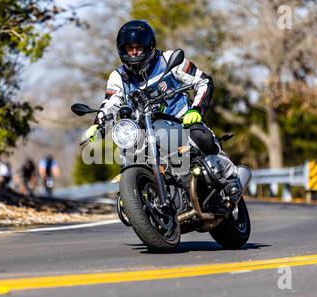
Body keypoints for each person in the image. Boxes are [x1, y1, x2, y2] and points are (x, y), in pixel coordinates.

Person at [84, 20, 242, 205]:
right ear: (122, 50)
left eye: (138, 47)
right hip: (145, 130)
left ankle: (230, 178)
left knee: (201, 137)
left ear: (149, 47)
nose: (134, 52)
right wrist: (98, 124)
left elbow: (203, 81)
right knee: (127, 152)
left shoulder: (169, 60)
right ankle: (136, 199)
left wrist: (196, 109)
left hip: (181, 120)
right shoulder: (118, 76)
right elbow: (110, 103)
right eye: (129, 48)